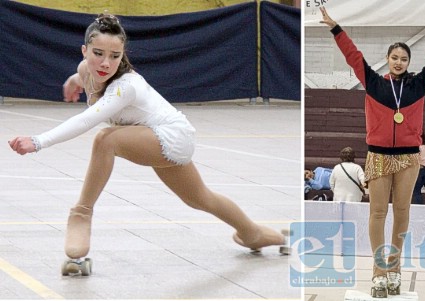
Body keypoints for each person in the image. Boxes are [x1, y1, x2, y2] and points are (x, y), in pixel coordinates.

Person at [7, 13, 286, 275]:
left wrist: (38, 141)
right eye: (98, 54)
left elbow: (87, 120)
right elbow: (83, 76)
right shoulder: (86, 70)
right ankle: (257, 233)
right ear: (85, 51)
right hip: (150, 135)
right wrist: (73, 81)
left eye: (115, 56)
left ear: (122, 56)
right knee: (199, 198)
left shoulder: (125, 86)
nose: (105, 63)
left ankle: (81, 212)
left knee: (106, 139)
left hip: (173, 135)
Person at [319, 6, 425, 298]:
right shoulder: (374, 83)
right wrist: (336, 28)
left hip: (408, 157)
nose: (399, 62)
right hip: (378, 155)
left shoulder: (419, 84)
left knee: (402, 212)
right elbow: (353, 56)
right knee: (378, 212)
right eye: (394, 57)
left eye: (404, 58)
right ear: (388, 60)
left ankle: (395, 269)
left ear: (408, 62)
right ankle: (378, 273)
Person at [412, 133, 425, 204]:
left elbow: (416, 157)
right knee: (418, 191)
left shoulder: (417, 142)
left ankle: (418, 208)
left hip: (419, 168)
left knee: (416, 192)